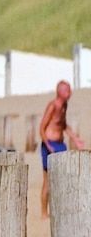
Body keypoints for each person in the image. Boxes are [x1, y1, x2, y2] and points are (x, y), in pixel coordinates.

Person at [39, 79, 84, 217]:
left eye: (70, 90)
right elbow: (41, 128)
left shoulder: (65, 105)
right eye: (67, 90)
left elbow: (63, 125)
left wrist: (75, 139)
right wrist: (48, 146)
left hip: (61, 145)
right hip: (50, 144)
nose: (70, 92)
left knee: (63, 176)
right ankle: (44, 213)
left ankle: (60, 209)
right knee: (48, 179)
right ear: (60, 92)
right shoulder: (53, 105)